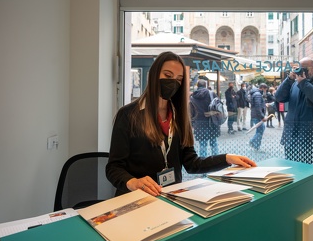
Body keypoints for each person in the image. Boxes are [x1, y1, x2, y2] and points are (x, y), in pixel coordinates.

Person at [106, 51, 256, 197]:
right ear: (153, 75)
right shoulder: (128, 115)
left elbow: (192, 163)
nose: (173, 83)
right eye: (167, 75)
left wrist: (227, 158)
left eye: (178, 79)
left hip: (170, 197)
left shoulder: (179, 116)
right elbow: (114, 168)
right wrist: (133, 182)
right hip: (136, 199)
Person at [275, 57, 313, 165]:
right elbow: (279, 97)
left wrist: (304, 83)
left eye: (306, 68)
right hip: (291, 138)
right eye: (301, 68)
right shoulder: (294, 84)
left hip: (310, 139)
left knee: (308, 174)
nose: (304, 71)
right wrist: (289, 79)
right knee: (291, 172)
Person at [190, 79, 220, 156]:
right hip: (211, 122)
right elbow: (219, 106)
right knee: (213, 143)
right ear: (205, 85)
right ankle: (216, 160)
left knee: (202, 144)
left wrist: (192, 124)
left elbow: (191, 112)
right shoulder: (211, 94)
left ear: (197, 86)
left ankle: (203, 161)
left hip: (199, 123)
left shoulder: (193, 96)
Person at [248, 83, 268, 151]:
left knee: (260, 129)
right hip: (257, 116)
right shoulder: (258, 94)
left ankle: (256, 146)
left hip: (256, 115)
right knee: (260, 130)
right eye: (265, 89)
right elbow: (258, 106)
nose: (265, 91)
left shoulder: (256, 94)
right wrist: (262, 116)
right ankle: (253, 142)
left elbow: (258, 105)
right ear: (262, 88)